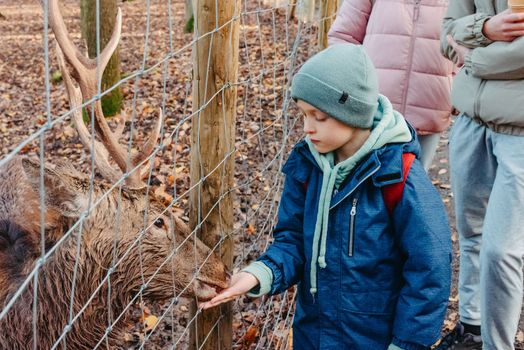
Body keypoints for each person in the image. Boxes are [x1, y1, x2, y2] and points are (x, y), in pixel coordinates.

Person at [201, 44, 452, 350]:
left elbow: (430, 267)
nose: (307, 128)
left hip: (375, 338)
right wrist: (257, 274)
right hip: (314, 333)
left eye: (318, 117)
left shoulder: (399, 177)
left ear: (351, 111)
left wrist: (408, 343)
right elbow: (292, 241)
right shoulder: (307, 166)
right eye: (304, 115)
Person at [438, 2, 524, 349]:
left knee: (501, 251)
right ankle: (470, 329)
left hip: (519, 134)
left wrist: (472, 57)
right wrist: (486, 28)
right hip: (471, 123)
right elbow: (445, 33)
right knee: (471, 234)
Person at [327, 0, 455, 171]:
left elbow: (467, 44)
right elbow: (344, 38)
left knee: (413, 183)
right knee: (364, 181)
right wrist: (353, 89)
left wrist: (456, 89)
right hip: (373, 108)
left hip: (431, 105)